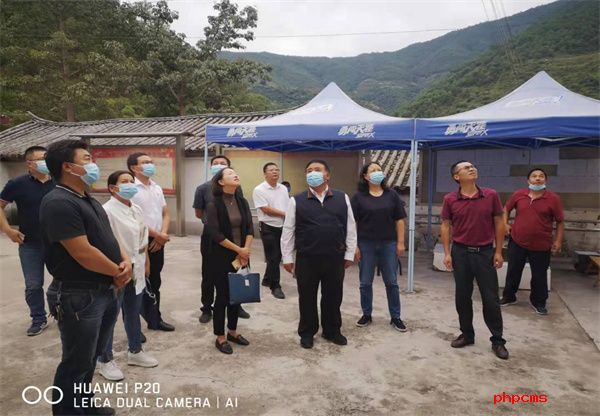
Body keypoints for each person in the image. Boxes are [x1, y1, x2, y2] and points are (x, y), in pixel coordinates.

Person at [41, 139, 131, 415]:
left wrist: (125, 261)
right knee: (75, 361)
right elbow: (82, 252)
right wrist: (117, 272)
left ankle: (84, 405)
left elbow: (108, 237)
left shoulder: (87, 198)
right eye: (87, 159)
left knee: (89, 357)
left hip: (104, 289)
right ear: (68, 167)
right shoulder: (58, 202)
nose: (94, 164)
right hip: (79, 294)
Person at [281, 160, 357, 349]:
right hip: (307, 258)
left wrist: (349, 253)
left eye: (317, 170)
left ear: (327, 175)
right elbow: (288, 230)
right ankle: (307, 332)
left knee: (333, 296)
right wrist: (287, 258)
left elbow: (350, 227)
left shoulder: (342, 198)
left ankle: (332, 330)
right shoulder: (296, 200)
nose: (312, 173)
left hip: (335, 257)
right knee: (306, 297)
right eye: (309, 170)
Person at [440, 160, 508, 360]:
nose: (472, 169)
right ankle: (467, 334)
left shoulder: (490, 195)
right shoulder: (450, 199)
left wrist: (498, 251)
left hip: (484, 252)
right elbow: (445, 225)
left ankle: (497, 340)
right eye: (466, 168)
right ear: (456, 176)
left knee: (490, 298)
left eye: (472, 166)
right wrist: (447, 253)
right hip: (460, 253)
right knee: (462, 296)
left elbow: (499, 222)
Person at [97, 170, 159, 381]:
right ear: (112, 188)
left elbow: (143, 238)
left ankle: (135, 351)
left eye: (131, 181)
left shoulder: (136, 208)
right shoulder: (107, 211)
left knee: (132, 310)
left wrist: (146, 261)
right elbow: (106, 243)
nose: (130, 184)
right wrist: (114, 270)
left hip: (138, 265)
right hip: (119, 268)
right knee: (110, 316)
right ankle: (104, 360)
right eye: (125, 181)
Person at [0, 146, 55, 336]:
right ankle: (38, 319)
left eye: (47, 158)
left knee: (63, 281)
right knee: (33, 285)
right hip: (30, 243)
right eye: (41, 159)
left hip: (58, 242)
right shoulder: (17, 184)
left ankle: (60, 312)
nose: (46, 162)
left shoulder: (58, 181)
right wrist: (8, 229)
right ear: (29, 163)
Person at [351, 162, 407, 331]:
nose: (377, 172)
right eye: (373, 170)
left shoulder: (392, 195)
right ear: (365, 176)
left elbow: (399, 220)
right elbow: (353, 223)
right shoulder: (358, 197)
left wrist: (400, 242)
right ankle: (366, 314)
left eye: (379, 170)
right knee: (365, 282)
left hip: (388, 243)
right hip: (365, 244)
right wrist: (354, 245)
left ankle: (395, 317)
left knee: (391, 282)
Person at [194, 155, 250, 323]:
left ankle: (237, 305)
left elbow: (243, 219)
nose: (219, 165)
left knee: (237, 272)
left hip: (237, 241)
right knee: (209, 275)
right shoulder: (202, 188)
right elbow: (199, 213)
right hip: (212, 240)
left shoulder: (237, 190)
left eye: (223, 163)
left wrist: (243, 248)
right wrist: (215, 224)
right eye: (216, 163)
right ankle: (207, 307)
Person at [500, 168, 564, 315]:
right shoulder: (519, 195)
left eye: (541, 176)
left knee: (539, 275)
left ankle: (539, 302)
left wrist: (558, 241)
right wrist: (505, 224)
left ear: (545, 180)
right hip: (517, 241)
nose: (537, 178)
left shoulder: (553, 199)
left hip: (541, 244)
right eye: (534, 176)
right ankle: (509, 297)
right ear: (528, 180)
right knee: (513, 271)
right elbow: (506, 209)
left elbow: (560, 221)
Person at [204, 167, 254, 354]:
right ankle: (220, 336)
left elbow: (249, 227)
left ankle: (232, 331)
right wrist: (239, 250)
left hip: (242, 256)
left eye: (235, 172)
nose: (235, 174)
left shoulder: (242, 201)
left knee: (237, 296)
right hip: (221, 257)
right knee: (223, 297)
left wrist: (245, 250)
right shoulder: (213, 204)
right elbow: (215, 234)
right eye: (230, 173)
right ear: (221, 181)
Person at [127, 152, 175, 332]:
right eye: (145, 162)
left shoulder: (156, 187)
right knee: (136, 283)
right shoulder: (130, 189)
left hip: (158, 239)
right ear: (134, 167)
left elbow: (165, 213)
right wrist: (157, 235)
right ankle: (134, 328)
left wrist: (162, 235)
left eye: (151, 161)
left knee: (154, 281)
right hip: (139, 239)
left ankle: (155, 319)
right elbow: (133, 218)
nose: (150, 164)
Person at [252, 162, 289, 299]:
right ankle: (275, 286)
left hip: (283, 226)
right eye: (271, 170)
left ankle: (267, 279)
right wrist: (285, 214)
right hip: (268, 227)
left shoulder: (283, 188)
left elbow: (287, 204)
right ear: (265, 173)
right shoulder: (259, 189)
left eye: (277, 170)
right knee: (273, 257)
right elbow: (265, 209)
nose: (275, 172)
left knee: (277, 256)